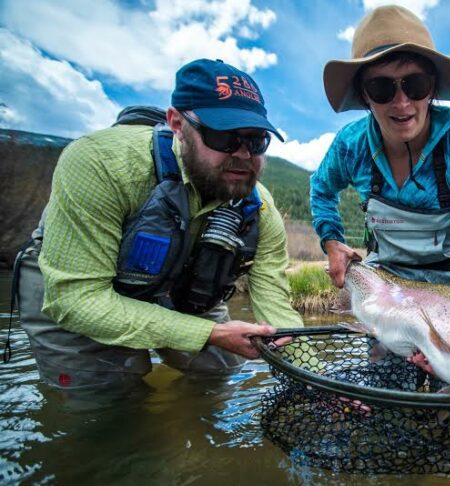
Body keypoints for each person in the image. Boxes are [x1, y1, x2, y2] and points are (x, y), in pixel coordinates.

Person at [16, 58, 303, 391]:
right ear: (177, 125)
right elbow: (77, 299)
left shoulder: (260, 206)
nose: (242, 154)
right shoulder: (99, 162)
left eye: (256, 141)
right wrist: (209, 333)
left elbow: (278, 309)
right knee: (108, 398)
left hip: (181, 286)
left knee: (221, 371)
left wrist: (316, 382)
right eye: (223, 137)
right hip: (78, 282)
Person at [311, 4, 450, 304]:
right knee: (379, 353)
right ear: (364, 95)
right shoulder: (350, 146)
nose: (402, 103)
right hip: (382, 285)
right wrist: (332, 240)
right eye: (381, 88)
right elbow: (321, 189)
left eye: (415, 85)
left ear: (432, 88)